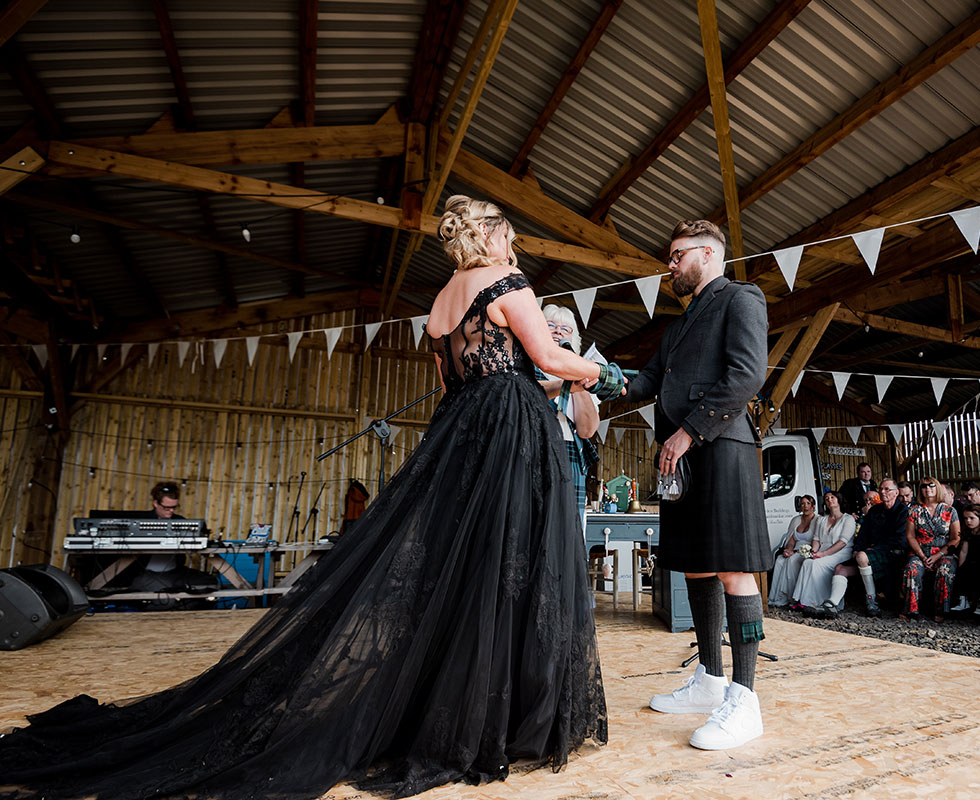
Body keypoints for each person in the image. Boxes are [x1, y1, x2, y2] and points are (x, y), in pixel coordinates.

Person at [0, 195, 622, 799]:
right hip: (510, 428)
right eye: (509, 236)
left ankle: (459, 705)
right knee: (513, 562)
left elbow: (451, 379)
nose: (515, 247)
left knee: (465, 569)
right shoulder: (509, 285)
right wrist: (596, 371)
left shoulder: (440, 303)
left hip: (461, 431)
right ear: (491, 236)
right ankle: (502, 716)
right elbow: (543, 358)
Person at [627, 219, 770, 752]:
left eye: (676, 255)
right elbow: (646, 380)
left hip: (722, 448)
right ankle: (710, 678)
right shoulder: (679, 325)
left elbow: (746, 374)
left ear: (708, 254)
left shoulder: (742, 298)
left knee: (733, 567)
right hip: (683, 458)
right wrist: (592, 375)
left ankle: (745, 698)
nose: (670, 265)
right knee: (697, 564)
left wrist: (690, 431)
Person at [536, 303, 600, 533]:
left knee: (566, 531)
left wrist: (577, 374)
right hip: (534, 449)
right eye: (551, 325)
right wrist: (564, 384)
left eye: (566, 329)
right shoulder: (525, 365)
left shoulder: (582, 372)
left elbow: (587, 430)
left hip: (570, 454)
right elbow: (530, 393)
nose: (558, 332)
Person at [827, 478, 907, 618]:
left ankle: (872, 602)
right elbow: (863, 533)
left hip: (893, 554)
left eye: (887, 489)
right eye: (881, 489)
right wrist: (858, 548)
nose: (882, 492)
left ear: (896, 493)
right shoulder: (875, 510)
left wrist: (874, 549)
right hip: (869, 553)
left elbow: (900, 540)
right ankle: (832, 605)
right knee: (840, 568)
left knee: (862, 557)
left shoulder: (903, 511)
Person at [900, 477, 960, 623]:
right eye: (924, 486)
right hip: (920, 552)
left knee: (944, 570)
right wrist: (921, 556)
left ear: (937, 487)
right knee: (912, 569)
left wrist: (938, 555)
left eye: (931, 485)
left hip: (944, 552)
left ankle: (941, 611)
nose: (928, 489)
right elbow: (910, 536)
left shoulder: (950, 511)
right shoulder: (914, 510)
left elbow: (956, 538)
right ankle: (911, 610)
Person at [790, 491, 856, 615]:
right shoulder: (822, 519)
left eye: (832, 497)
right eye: (826, 498)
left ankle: (819, 602)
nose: (829, 500)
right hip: (822, 550)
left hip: (841, 552)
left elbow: (843, 542)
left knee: (816, 564)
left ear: (839, 500)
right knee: (808, 562)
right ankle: (803, 600)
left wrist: (824, 554)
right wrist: (814, 551)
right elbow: (816, 539)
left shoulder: (848, 519)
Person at [767, 495, 817, 607]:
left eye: (808, 503)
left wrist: (795, 552)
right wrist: (788, 550)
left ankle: (791, 597)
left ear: (813, 506)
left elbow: (817, 541)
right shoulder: (796, 520)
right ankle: (776, 596)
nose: (805, 506)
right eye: (803, 504)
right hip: (794, 548)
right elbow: (791, 539)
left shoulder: (817, 520)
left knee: (792, 560)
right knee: (780, 560)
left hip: (808, 550)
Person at [950, 503, 980, 617]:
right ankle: (963, 600)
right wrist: (961, 566)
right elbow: (964, 551)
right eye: (966, 518)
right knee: (962, 571)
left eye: (972, 518)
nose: (968, 521)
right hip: (971, 559)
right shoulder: (968, 533)